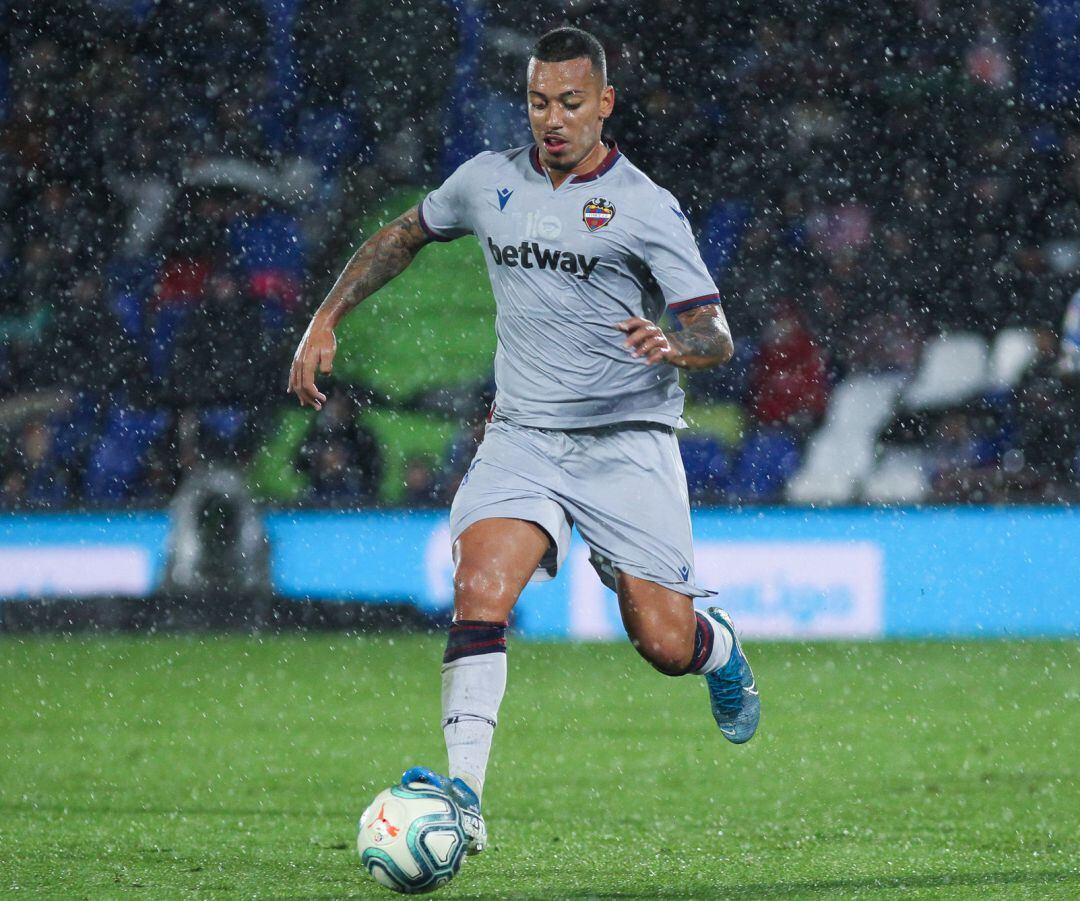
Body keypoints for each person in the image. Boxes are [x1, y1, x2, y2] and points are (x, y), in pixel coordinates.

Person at [288, 27, 759, 854]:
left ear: (604, 104)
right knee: (480, 589)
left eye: (571, 102)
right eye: (540, 101)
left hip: (628, 442)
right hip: (524, 435)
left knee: (662, 642)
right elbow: (404, 233)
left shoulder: (646, 205)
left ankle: (716, 651)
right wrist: (326, 318)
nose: (553, 118)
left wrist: (680, 346)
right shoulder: (485, 180)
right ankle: (465, 797)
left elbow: (715, 330)